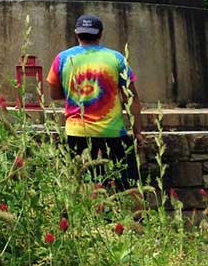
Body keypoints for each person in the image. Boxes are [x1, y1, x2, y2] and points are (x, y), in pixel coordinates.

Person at [46, 14, 144, 188]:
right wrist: (137, 132)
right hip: (112, 133)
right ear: (100, 34)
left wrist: (76, 94)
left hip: (76, 134)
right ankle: (135, 216)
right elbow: (132, 98)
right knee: (127, 189)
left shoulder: (62, 59)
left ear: (77, 34)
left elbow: (54, 94)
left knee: (77, 190)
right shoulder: (117, 59)